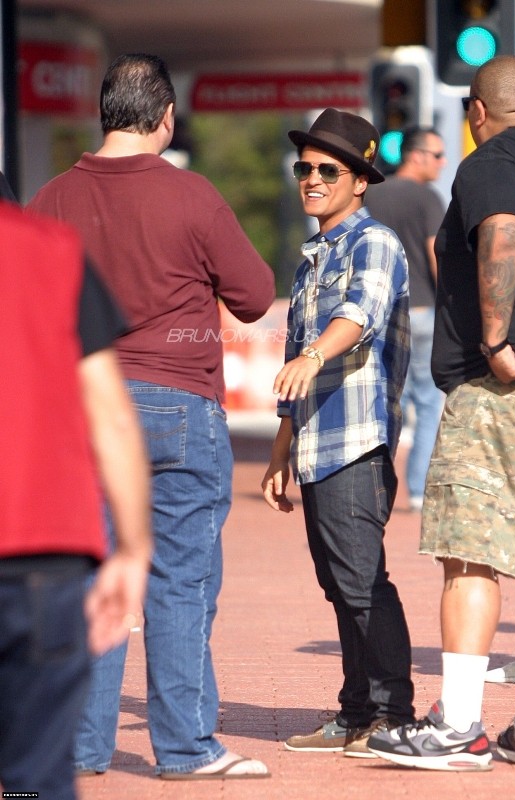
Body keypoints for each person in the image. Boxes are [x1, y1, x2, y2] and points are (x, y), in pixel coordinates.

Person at [28, 52, 275, 780]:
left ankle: (79, 747)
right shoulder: (192, 197)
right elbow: (256, 294)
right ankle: (186, 746)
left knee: (96, 579)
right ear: (164, 118)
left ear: (103, 113)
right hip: (178, 404)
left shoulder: (48, 201)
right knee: (180, 579)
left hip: (84, 414)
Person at [368, 54, 515, 771]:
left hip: (498, 388)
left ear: (477, 112)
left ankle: (459, 725)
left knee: (468, 552)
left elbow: (499, 232)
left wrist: (495, 338)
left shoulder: (493, 158)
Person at [261, 107, 415, 759]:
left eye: (329, 168)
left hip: (355, 441)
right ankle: (356, 713)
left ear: (360, 180)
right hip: (315, 445)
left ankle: (392, 714)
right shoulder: (309, 260)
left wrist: (314, 356)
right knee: (337, 583)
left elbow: (361, 314)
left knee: (361, 581)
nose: (312, 177)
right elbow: (293, 353)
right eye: (305, 167)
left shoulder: (371, 242)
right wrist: (278, 450)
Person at [0, 200, 151, 800]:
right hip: (41, 555)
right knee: (35, 773)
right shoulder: (52, 250)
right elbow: (109, 413)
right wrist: (134, 550)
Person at [366, 127, 446, 511]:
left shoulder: (372, 194)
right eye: (437, 155)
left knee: (383, 399)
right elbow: (436, 255)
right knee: (429, 403)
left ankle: (373, 486)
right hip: (422, 311)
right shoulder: (427, 198)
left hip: (380, 314)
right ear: (416, 156)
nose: (442, 162)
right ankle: (417, 492)